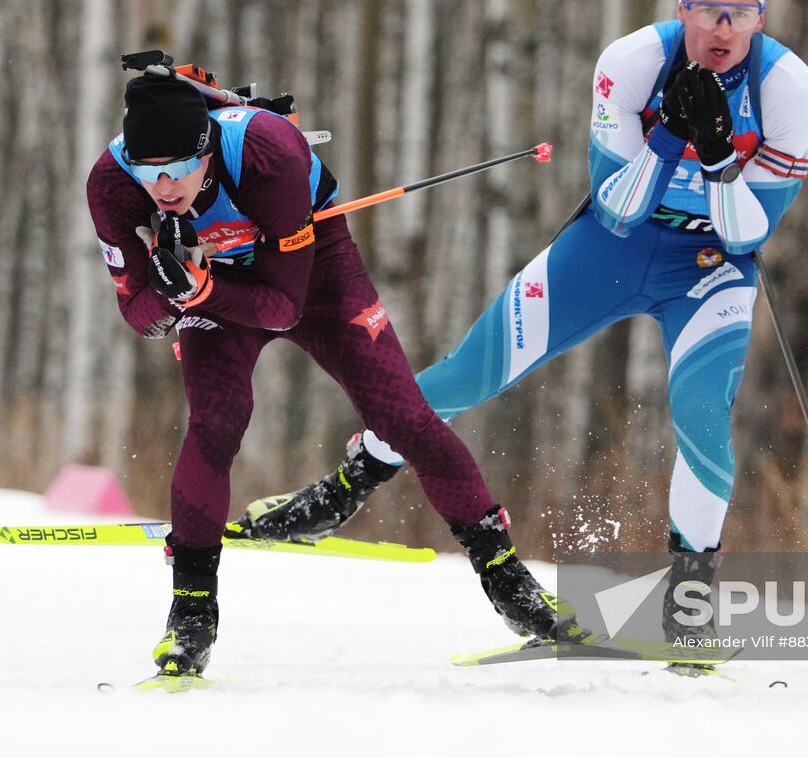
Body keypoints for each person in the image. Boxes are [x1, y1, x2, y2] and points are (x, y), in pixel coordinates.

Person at [244, 0, 808, 644]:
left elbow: (746, 235)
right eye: (708, 9)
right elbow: (616, 210)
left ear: (762, 18)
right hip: (610, 250)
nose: (724, 27)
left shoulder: (791, 90)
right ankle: (343, 490)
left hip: (707, 271)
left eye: (740, 11)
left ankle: (690, 602)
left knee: (702, 413)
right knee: (468, 372)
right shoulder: (635, 61)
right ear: (683, 11)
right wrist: (670, 138)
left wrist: (715, 156)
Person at [86, 73, 564, 680]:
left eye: (178, 166)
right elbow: (139, 318)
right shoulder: (111, 185)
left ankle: (509, 583)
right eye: (145, 168)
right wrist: (168, 286)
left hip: (311, 270)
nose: (162, 185)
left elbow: (284, 305)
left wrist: (201, 287)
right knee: (216, 424)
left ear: (206, 149)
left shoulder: (268, 152)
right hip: (213, 293)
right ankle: (191, 615)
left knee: (403, 417)